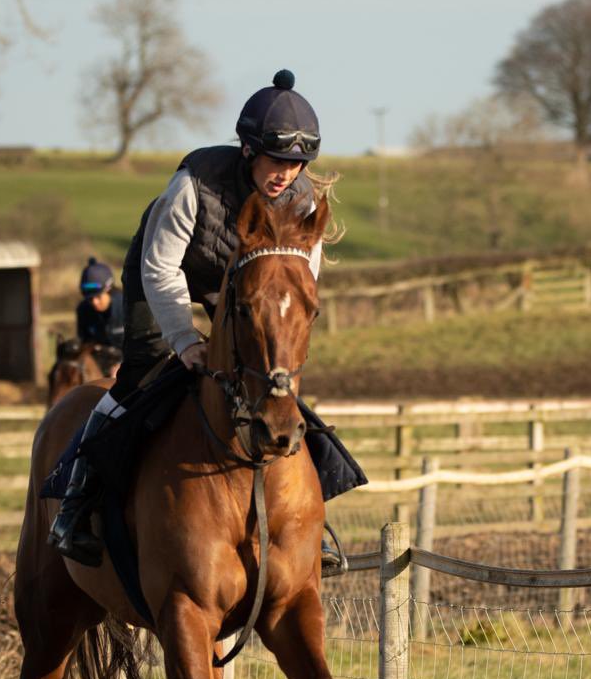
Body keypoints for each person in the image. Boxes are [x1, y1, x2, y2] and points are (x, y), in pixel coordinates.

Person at [49, 70, 364, 569]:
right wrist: (183, 339)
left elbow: (301, 279)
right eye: (277, 160)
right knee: (138, 378)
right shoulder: (195, 182)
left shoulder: (303, 201)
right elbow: (160, 265)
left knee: (273, 385)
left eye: (297, 162)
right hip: (160, 272)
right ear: (247, 149)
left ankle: (311, 520)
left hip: (242, 287)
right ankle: (76, 502)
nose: (286, 173)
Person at [75, 258, 124, 349]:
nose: (94, 302)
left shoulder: (127, 307)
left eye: (98, 297)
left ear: (110, 290)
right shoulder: (83, 310)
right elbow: (85, 344)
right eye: (89, 299)